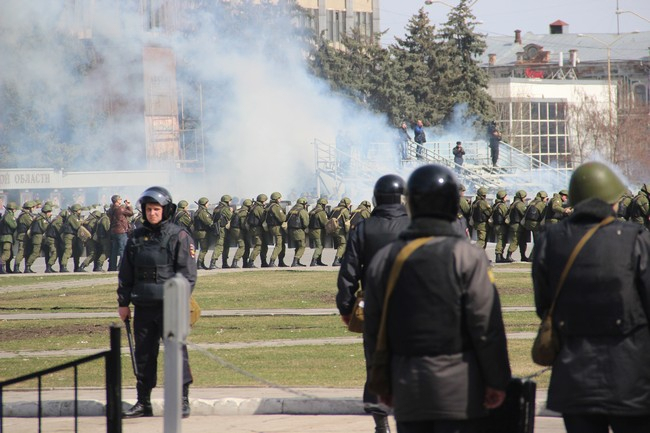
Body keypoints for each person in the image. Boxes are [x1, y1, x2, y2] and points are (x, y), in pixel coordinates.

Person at [364, 164, 511, 433]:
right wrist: (497, 379)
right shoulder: (467, 256)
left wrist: (381, 383)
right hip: (460, 388)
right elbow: (486, 325)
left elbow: (374, 329)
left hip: (408, 385)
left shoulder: (386, 259)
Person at [532, 161, 650, 433]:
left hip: (574, 374)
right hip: (631, 375)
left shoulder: (550, 240)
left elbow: (544, 306)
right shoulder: (637, 238)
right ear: (612, 202)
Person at [337, 174, 410, 433]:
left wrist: (346, 308)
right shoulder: (416, 225)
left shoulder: (363, 228)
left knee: (376, 363)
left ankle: (381, 423)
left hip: (374, 306)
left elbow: (349, 272)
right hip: (413, 306)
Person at [118, 186, 197, 419]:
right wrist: (123, 303)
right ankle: (143, 402)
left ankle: (182, 400)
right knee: (143, 355)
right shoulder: (135, 237)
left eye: (156, 209)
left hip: (170, 307)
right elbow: (126, 273)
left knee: (176, 353)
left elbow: (188, 274)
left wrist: (179, 302)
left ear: (165, 210)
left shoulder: (178, 236)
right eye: (149, 209)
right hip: (143, 305)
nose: (152, 213)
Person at [108, 194, 134, 271]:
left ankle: (112, 267)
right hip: (121, 231)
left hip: (113, 231)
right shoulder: (120, 209)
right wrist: (128, 205)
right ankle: (123, 266)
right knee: (123, 249)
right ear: (117, 200)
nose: (121, 200)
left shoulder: (111, 209)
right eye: (120, 199)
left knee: (114, 250)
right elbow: (130, 213)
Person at [25, 204, 53, 273]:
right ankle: (27, 266)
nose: (50, 214)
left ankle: (48, 268)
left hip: (40, 237)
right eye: (49, 212)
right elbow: (45, 227)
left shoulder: (41, 217)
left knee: (46, 251)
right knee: (36, 252)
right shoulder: (41, 219)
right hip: (37, 237)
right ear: (46, 212)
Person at [209, 195, 233, 270]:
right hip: (222, 229)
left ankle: (224, 263)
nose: (230, 202)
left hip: (219, 228)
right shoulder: (225, 209)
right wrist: (231, 211)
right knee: (220, 245)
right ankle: (213, 263)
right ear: (227, 201)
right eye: (229, 200)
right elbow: (230, 216)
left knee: (225, 245)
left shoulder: (217, 208)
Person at [265, 192, 287, 268]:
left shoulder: (269, 205)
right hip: (277, 228)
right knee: (279, 245)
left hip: (272, 227)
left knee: (281, 245)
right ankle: (272, 261)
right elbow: (282, 218)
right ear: (276, 198)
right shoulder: (276, 207)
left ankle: (281, 261)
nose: (280, 199)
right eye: (279, 198)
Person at [246, 194, 269, 268]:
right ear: (262, 200)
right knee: (258, 245)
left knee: (264, 246)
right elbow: (263, 218)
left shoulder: (255, 207)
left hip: (256, 229)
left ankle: (264, 262)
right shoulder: (258, 208)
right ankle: (251, 262)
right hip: (257, 229)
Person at [505, 190, 528, 262]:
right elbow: (525, 213)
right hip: (517, 226)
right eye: (524, 197)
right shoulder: (520, 204)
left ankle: (523, 256)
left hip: (515, 225)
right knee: (515, 241)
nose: (525, 198)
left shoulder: (513, 203)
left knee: (522, 242)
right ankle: (509, 256)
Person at [192, 197, 214, 270]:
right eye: (207, 203)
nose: (208, 204)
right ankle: (199, 263)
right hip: (202, 232)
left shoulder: (198, 211)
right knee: (204, 249)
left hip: (198, 232)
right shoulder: (203, 212)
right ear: (204, 203)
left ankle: (201, 263)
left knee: (202, 249)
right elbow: (208, 222)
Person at [14, 201, 35, 273]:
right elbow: (30, 223)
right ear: (29, 208)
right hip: (23, 236)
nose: (33, 208)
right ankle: (16, 267)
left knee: (28, 252)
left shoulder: (27, 215)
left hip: (26, 236)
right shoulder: (25, 216)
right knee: (21, 252)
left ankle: (27, 268)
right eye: (32, 207)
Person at [230, 199, 252, 268]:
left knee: (247, 245)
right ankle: (235, 262)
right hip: (238, 230)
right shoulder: (244, 212)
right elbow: (243, 224)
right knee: (242, 246)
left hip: (236, 229)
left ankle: (245, 263)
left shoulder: (239, 210)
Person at [331, 197, 352, 266]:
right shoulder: (344, 210)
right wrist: (348, 231)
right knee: (343, 244)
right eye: (349, 204)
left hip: (333, 229)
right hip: (340, 230)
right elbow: (347, 221)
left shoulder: (334, 208)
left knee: (340, 244)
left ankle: (341, 260)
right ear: (346, 204)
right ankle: (336, 261)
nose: (349, 205)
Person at [308, 197, 329, 267]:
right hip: (318, 231)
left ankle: (318, 261)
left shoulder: (312, 211)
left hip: (312, 230)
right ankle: (313, 261)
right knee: (319, 246)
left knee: (320, 246)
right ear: (323, 204)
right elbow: (325, 222)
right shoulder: (321, 212)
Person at [491, 190, 510, 263]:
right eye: (505, 196)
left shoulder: (495, 204)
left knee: (502, 241)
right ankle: (498, 256)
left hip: (497, 225)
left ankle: (500, 256)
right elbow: (506, 214)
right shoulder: (502, 205)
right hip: (501, 226)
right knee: (500, 241)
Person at [0, 202, 18, 274]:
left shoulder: (7, 215)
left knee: (10, 255)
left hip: (7, 237)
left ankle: (7, 268)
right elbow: (14, 225)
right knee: (6, 254)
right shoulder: (8, 216)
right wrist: (14, 220)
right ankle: (1, 268)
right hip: (6, 237)